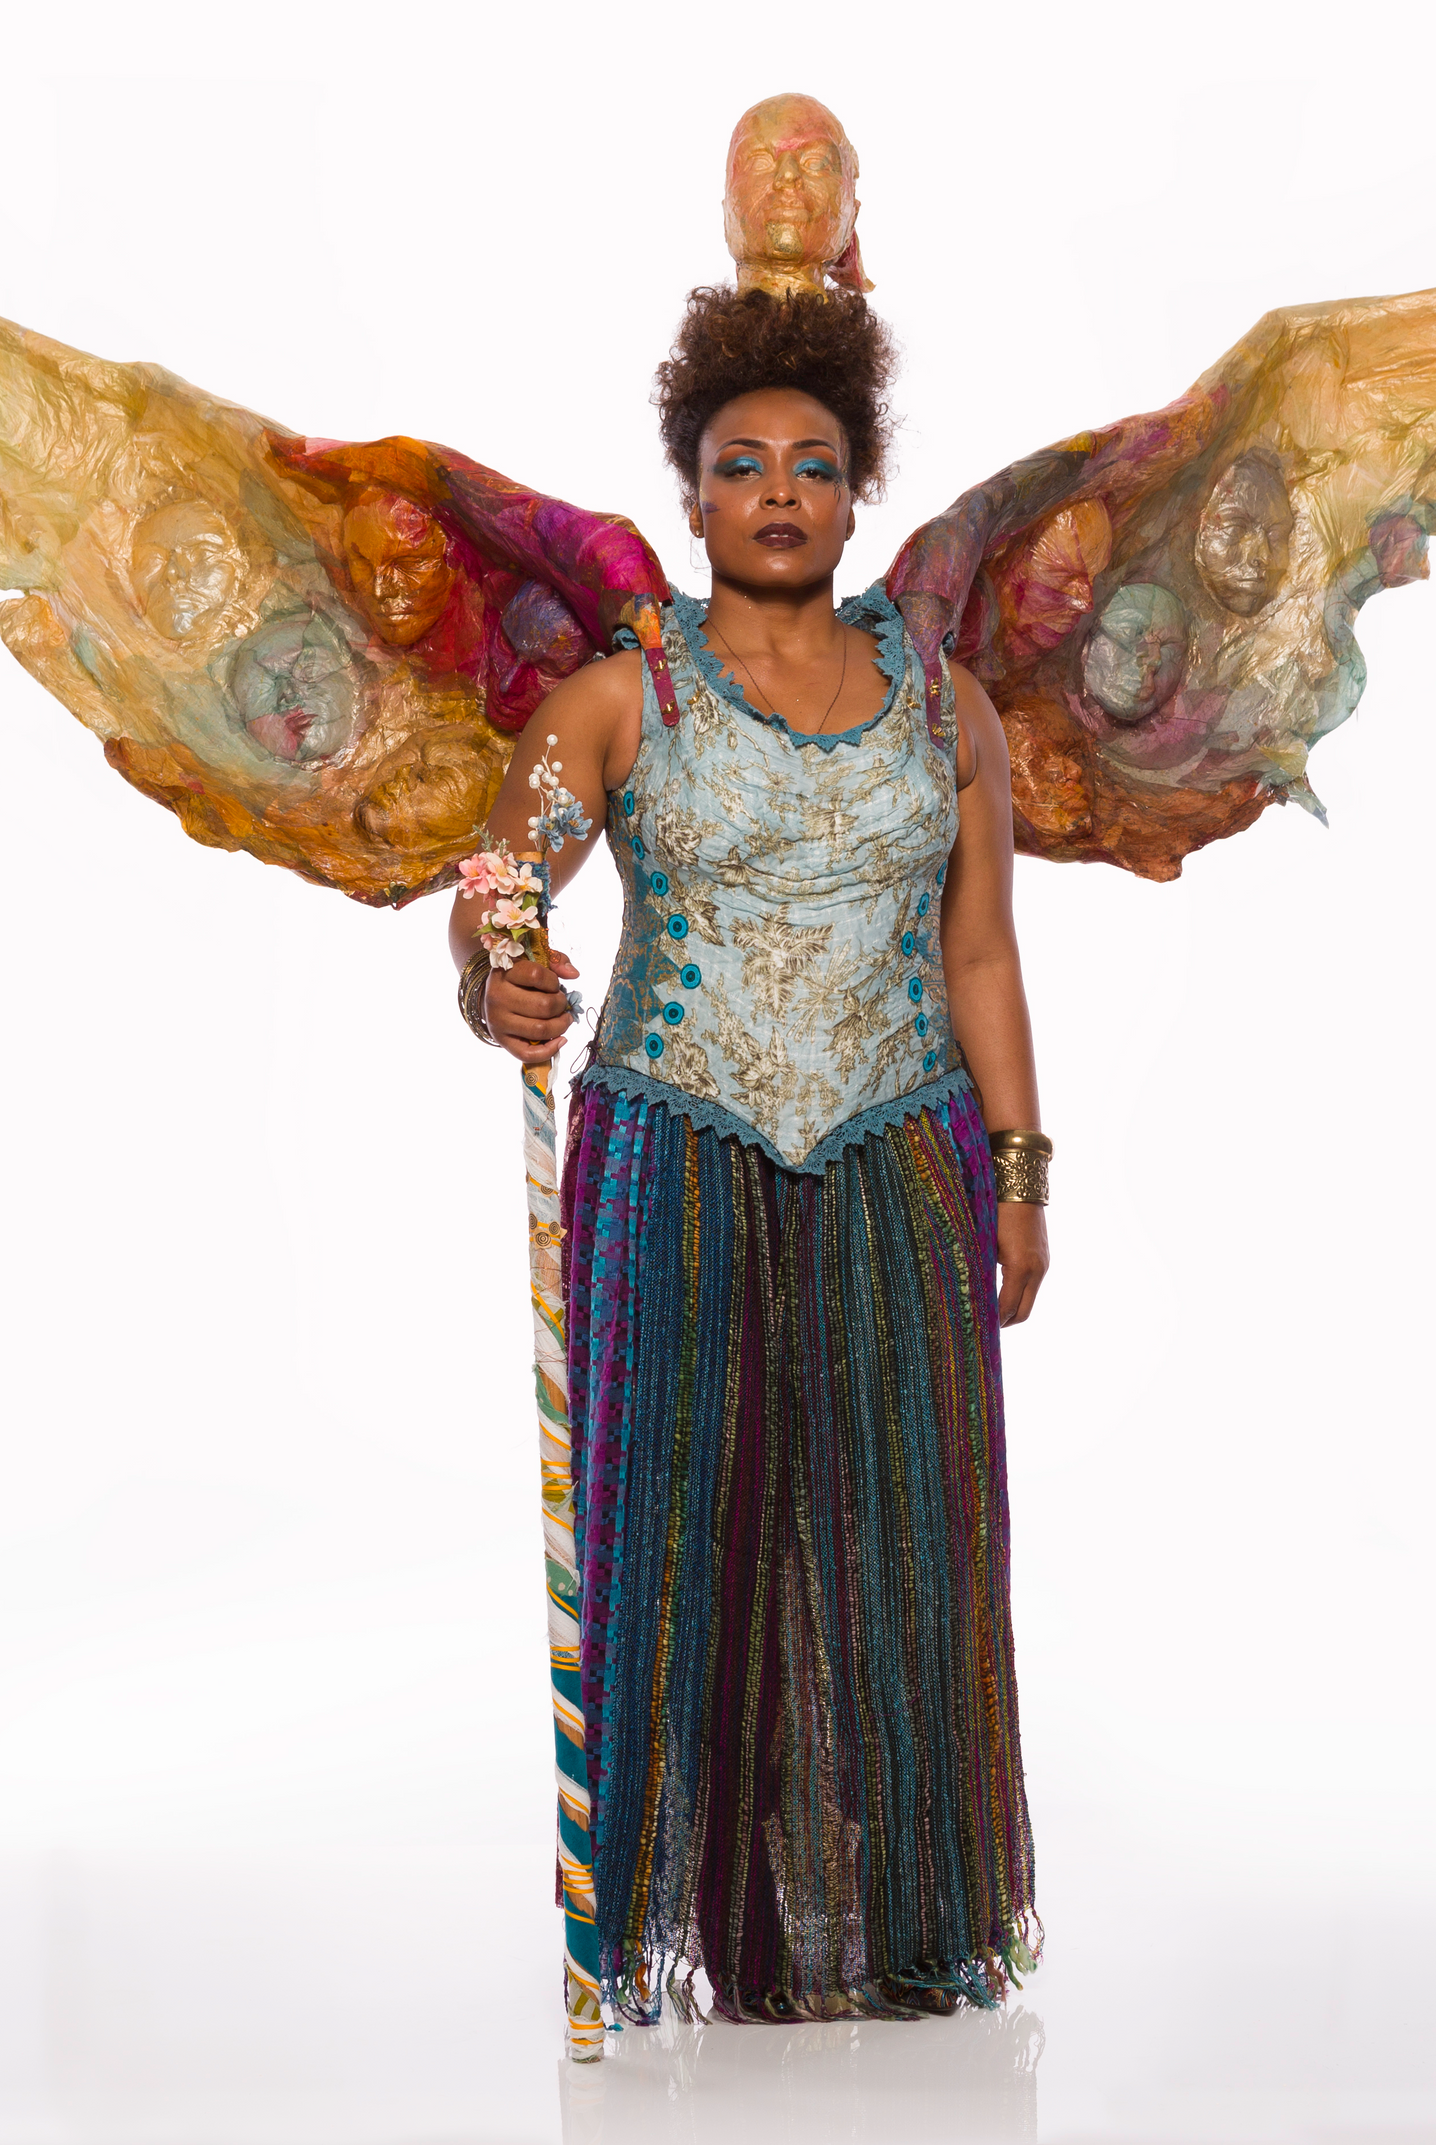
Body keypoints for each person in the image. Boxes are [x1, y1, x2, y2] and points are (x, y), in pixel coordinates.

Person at [448, 284, 1049, 2023]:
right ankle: (682, 1931)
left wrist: (1021, 1172)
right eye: (740, 464)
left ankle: (901, 1931)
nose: (778, 489)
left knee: (906, 1539)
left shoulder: (948, 708)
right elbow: (495, 896)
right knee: (684, 1536)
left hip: (901, 1148)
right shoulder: (613, 702)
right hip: (673, 1150)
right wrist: (498, 975)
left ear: (858, 497)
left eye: (814, 463)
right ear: (692, 494)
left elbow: (982, 951)